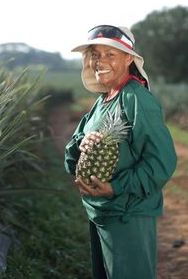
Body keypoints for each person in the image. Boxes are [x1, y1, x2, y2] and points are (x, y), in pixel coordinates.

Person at [64, 25, 177, 279]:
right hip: (100, 213)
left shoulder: (137, 99)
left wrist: (115, 187)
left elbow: (162, 162)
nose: (100, 61)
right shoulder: (102, 102)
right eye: (95, 54)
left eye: (110, 54)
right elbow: (70, 159)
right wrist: (82, 144)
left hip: (128, 215)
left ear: (128, 58)